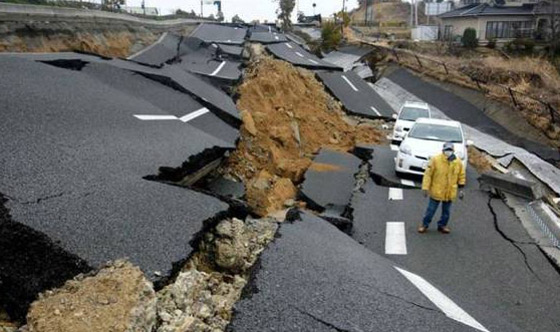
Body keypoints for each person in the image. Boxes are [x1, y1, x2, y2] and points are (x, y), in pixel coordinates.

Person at [418, 142, 466, 234]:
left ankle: (442, 225)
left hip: (449, 191)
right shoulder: (435, 160)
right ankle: (424, 225)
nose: (448, 152)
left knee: (446, 212)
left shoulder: (457, 162)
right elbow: (428, 174)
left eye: (450, 150)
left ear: (453, 151)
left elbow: (461, 175)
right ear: (443, 150)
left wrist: (461, 187)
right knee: (430, 210)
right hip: (437, 190)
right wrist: (425, 187)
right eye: (446, 150)